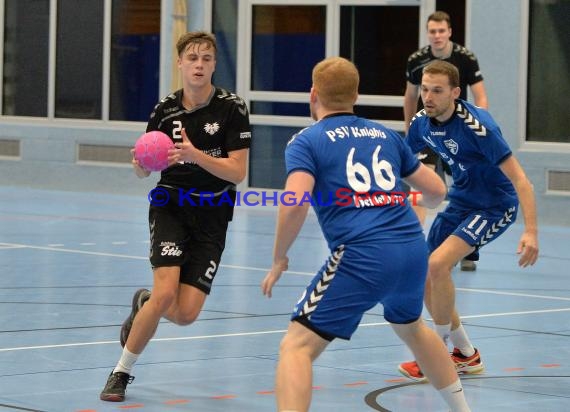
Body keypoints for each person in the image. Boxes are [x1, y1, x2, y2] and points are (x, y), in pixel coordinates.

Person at [261, 57, 471, 412]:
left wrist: (280, 256)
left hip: (363, 255)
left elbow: (294, 202)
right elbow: (436, 190)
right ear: (356, 95)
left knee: (296, 346)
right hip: (410, 250)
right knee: (412, 328)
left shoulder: (307, 141)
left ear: (313, 95)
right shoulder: (385, 135)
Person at [100, 31, 251, 402]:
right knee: (167, 294)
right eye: (193, 58)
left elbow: (237, 172)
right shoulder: (164, 110)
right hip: (171, 205)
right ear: (180, 63)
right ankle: (121, 372)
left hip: (213, 212)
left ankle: (144, 303)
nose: (199, 65)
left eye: (207, 59)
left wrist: (195, 154)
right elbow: (144, 169)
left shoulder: (233, 108)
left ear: (214, 65)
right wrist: (138, 163)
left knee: (185, 314)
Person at [398, 60, 539, 382]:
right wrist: (412, 219)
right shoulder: (421, 123)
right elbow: (417, 178)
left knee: (438, 265)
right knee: (422, 272)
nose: (428, 97)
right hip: (461, 201)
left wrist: (531, 232)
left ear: (455, 93)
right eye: (424, 90)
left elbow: (521, 181)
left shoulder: (479, 126)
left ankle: (436, 355)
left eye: (437, 91)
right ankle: (465, 354)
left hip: (494, 205)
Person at [404, 10, 488, 271]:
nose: (437, 36)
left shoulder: (465, 58)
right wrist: (411, 130)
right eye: (432, 31)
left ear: (449, 32)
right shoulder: (417, 60)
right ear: (428, 33)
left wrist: (479, 129)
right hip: (429, 129)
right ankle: (414, 244)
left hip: (458, 132)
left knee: (463, 188)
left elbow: (481, 96)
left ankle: (466, 248)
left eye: (441, 31)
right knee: (420, 183)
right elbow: (409, 97)